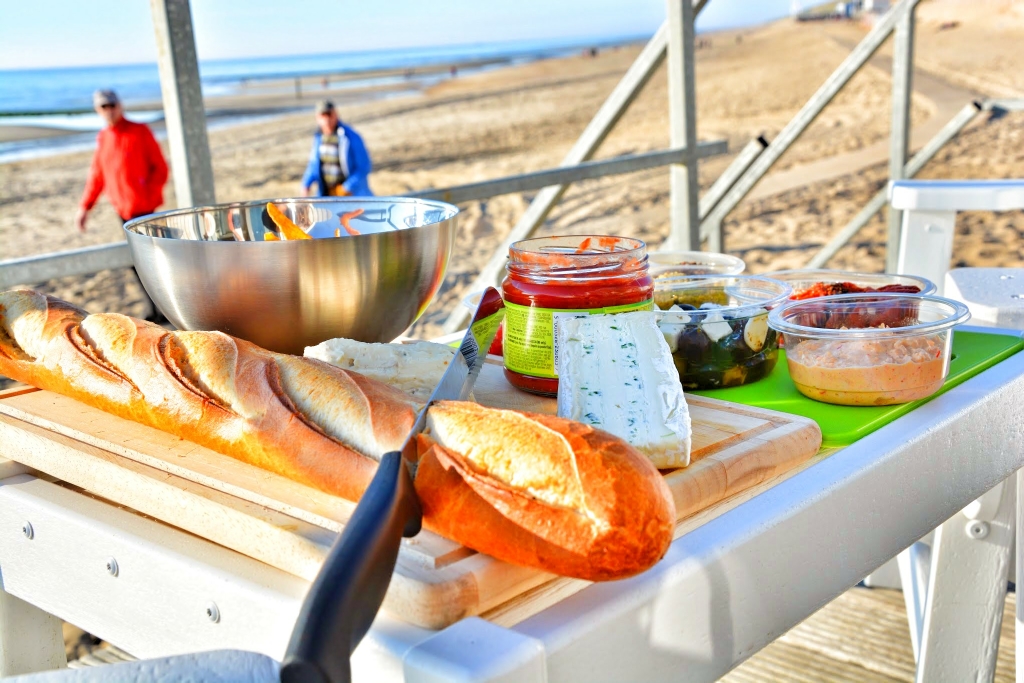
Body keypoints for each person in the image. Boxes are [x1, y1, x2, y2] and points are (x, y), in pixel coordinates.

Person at [75, 89, 168, 232]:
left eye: (112, 105)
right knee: (133, 249)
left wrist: (147, 197)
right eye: (104, 107)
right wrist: (85, 207)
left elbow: (161, 168)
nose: (109, 110)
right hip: (121, 209)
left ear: (120, 105)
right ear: (97, 110)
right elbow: (97, 176)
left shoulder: (140, 131)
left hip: (145, 209)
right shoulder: (103, 137)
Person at [300, 100, 373, 197]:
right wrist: (306, 184)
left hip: (352, 196)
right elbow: (314, 164)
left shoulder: (350, 137)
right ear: (317, 118)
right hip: (326, 195)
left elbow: (364, 167)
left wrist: (347, 187)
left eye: (329, 115)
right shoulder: (318, 138)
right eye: (323, 116)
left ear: (336, 114)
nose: (327, 120)